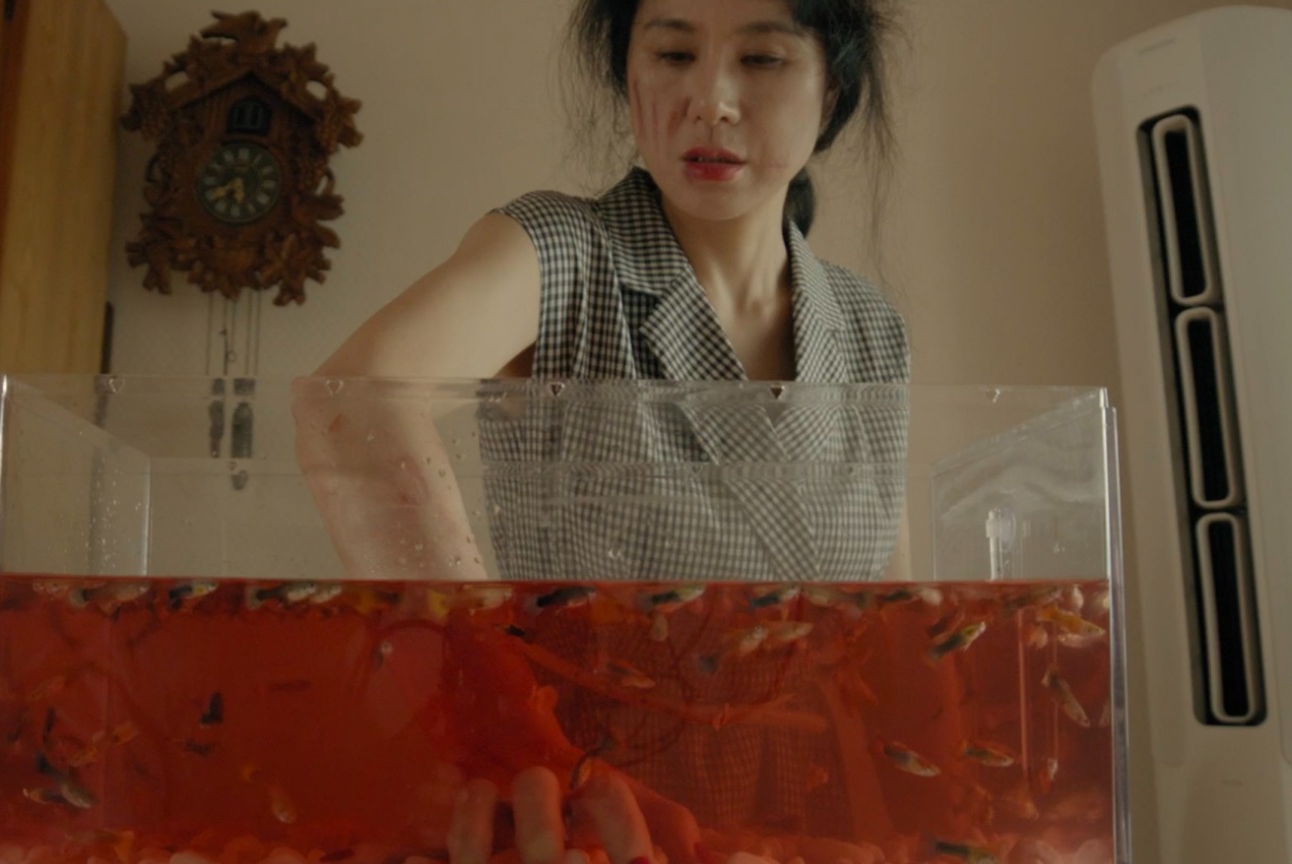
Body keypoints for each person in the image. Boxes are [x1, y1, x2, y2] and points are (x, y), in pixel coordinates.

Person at [295, 0, 907, 860]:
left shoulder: (871, 329)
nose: (711, 100)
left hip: (816, 832)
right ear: (627, 74)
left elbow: (899, 637)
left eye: (762, 59)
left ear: (832, 91)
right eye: (673, 54)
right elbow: (349, 400)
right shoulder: (562, 253)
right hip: (587, 822)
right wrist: (505, 727)